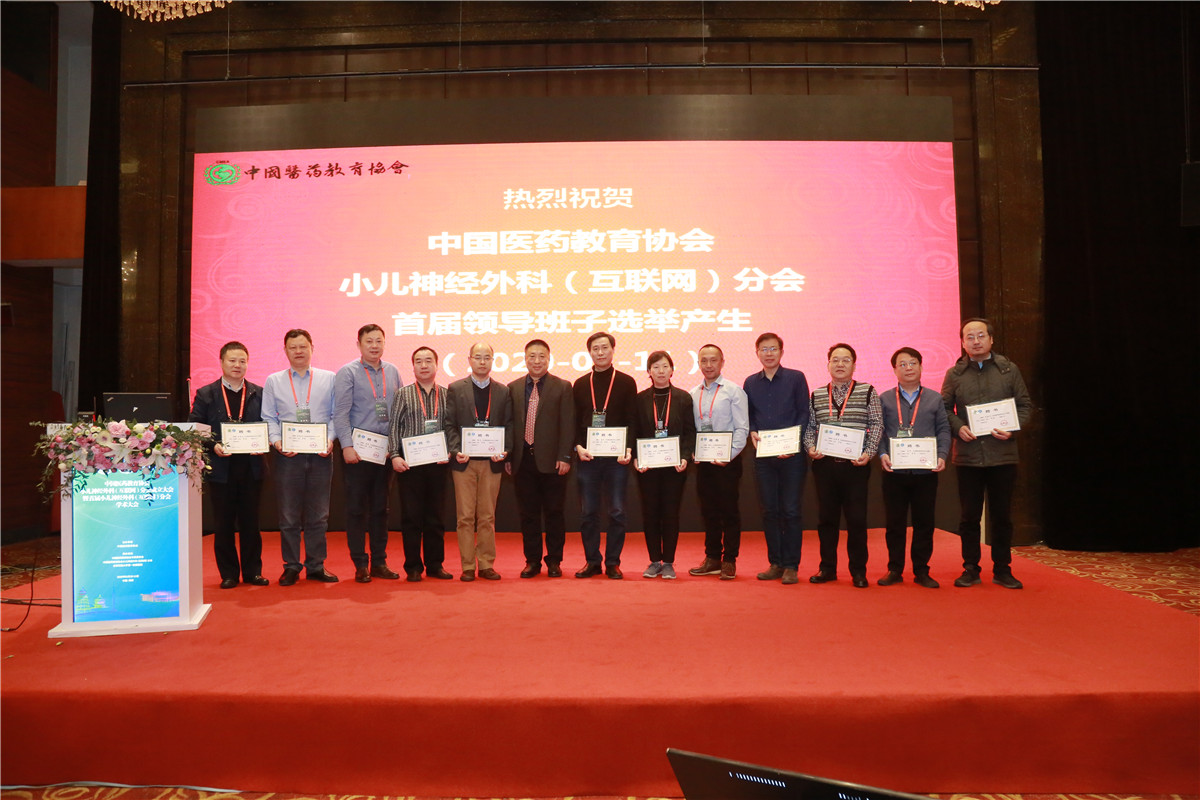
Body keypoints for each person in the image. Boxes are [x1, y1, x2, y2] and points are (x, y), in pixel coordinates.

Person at [941, 318, 1033, 589]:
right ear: (962, 343)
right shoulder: (954, 374)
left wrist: (1012, 429)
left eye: (981, 336)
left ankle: (1003, 569)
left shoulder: (1008, 370)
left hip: (1002, 455)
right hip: (968, 456)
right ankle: (970, 568)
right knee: (969, 517)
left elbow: (1025, 406)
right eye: (969, 337)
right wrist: (958, 427)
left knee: (1001, 517)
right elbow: (944, 409)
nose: (976, 341)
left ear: (991, 339)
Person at [188, 341, 269, 589]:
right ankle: (229, 574)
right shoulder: (206, 393)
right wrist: (213, 446)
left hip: (252, 467)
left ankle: (253, 572)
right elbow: (196, 427)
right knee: (223, 524)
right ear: (222, 362)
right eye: (232, 360)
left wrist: (263, 441)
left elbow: (268, 424)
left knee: (251, 523)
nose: (237, 365)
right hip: (221, 469)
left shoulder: (259, 393)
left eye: (242, 361)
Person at [260, 329, 338, 585]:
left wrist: (330, 439)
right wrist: (277, 442)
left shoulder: (329, 378)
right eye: (293, 347)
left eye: (303, 346)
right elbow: (268, 417)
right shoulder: (274, 380)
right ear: (285, 351)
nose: (298, 351)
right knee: (288, 516)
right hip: (287, 456)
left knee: (319, 515)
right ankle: (291, 566)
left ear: (312, 348)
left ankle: (316, 565)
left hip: (320, 454)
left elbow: (336, 415)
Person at [804, 343, 882, 588]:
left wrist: (869, 453)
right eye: (835, 360)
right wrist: (810, 448)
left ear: (854, 365)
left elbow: (876, 424)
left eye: (845, 360)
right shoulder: (817, 394)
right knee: (826, 520)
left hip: (855, 466)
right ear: (828, 364)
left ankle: (858, 571)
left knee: (856, 520)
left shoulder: (868, 391)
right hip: (825, 466)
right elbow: (810, 427)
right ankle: (827, 568)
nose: (840, 364)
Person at [333, 324, 403, 583]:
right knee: (356, 509)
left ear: (384, 343)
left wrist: (395, 447)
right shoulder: (348, 372)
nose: (374, 346)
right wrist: (346, 446)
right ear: (359, 344)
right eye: (369, 341)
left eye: (378, 341)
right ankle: (360, 563)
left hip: (385, 453)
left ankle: (379, 562)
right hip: (358, 453)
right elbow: (340, 413)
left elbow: (399, 412)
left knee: (381, 509)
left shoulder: (392, 371)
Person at [877, 347, 951, 588]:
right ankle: (894, 569)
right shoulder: (884, 398)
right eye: (902, 364)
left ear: (921, 366)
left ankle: (921, 570)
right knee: (894, 524)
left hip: (925, 472)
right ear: (894, 370)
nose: (908, 368)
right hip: (894, 472)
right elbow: (879, 431)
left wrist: (942, 455)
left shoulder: (935, 398)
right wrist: (882, 454)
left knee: (924, 523)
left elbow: (943, 429)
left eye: (912, 363)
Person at [742, 332, 810, 585]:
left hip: (792, 456)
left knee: (790, 510)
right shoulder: (750, 382)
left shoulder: (796, 378)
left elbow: (804, 413)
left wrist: (793, 443)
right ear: (757, 353)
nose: (768, 353)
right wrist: (752, 431)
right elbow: (749, 415)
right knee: (769, 510)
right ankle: (776, 563)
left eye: (773, 349)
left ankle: (791, 565)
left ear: (782, 351)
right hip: (764, 455)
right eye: (764, 349)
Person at [571, 331, 636, 580]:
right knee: (588, 512)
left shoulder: (626, 382)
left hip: (616, 459)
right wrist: (577, 446)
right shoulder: (580, 384)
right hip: (588, 457)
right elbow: (575, 421)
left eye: (604, 348)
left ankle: (612, 562)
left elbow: (632, 419)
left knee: (617, 511)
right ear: (589, 352)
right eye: (595, 349)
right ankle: (592, 561)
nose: (600, 352)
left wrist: (628, 448)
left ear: (613, 350)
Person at [445, 342, 512, 582]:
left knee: (487, 516)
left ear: (493, 360)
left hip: (491, 463)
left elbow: (509, 425)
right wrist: (455, 450)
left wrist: (505, 450)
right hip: (464, 462)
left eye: (487, 357)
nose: (482, 362)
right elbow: (449, 424)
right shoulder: (455, 388)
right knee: (464, 517)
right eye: (477, 357)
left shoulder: (503, 391)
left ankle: (485, 564)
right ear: (469, 360)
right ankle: (467, 566)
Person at [507, 339, 574, 579]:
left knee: (554, 513)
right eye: (532, 356)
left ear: (549, 358)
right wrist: (508, 455)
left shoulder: (562, 386)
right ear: (525, 359)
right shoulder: (513, 387)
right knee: (528, 515)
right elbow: (509, 425)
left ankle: (554, 560)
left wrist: (565, 456)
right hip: (522, 461)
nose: (537, 361)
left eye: (541, 356)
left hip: (553, 462)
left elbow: (568, 423)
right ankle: (532, 561)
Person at [388, 346, 454, 581]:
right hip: (410, 466)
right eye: (418, 361)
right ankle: (413, 566)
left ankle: (435, 565)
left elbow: (451, 428)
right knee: (411, 517)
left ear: (436, 365)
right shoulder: (403, 394)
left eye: (428, 361)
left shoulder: (447, 394)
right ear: (413, 366)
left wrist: (450, 451)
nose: (424, 365)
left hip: (438, 463)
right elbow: (394, 426)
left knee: (436, 517)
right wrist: (394, 455)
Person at [687, 343, 749, 580]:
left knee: (729, 511)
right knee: (709, 511)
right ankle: (712, 557)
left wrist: (729, 455)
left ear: (722, 362)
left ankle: (729, 559)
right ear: (698, 364)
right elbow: (692, 429)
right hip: (703, 462)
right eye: (704, 361)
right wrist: (693, 452)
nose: (709, 365)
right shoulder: (693, 393)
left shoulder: (734, 391)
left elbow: (742, 428)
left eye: (713, 360)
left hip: (727, 463)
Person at [632, 351, 695, 579]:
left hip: (674, 467)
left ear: (672, 370)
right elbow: (634, 431)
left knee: (670, 513)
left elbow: (689, 432)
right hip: (648, 467)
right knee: (650, 513)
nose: (661, 371)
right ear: (648, 371)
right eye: (656, 367)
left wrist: (685, 456)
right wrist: (636, 457)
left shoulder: (683, 398)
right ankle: (654, 560)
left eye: (665, 366)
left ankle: (668, 561)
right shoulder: (639, 399)